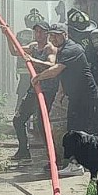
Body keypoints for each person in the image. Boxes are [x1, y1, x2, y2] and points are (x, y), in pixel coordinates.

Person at [31, 23, 98, 177]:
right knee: (75, 129)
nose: (53, 38)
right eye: (52, 35)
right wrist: (62, 92)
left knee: (78, 131)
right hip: (77, 96)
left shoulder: (72, 49)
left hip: (85, 96)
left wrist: (38, 77)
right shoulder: (63, 50)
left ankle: (79, 164)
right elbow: (65, 73)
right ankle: (79, 163)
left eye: (56, 35)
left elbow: (57, 70)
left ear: (65, 34)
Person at [10, 19, 58, 162]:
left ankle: (53, 157)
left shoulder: (50, 48)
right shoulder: (33, 46)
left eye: (41, 32)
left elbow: (51, 64)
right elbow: (14, 51)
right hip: (33, 89)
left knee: (41, 123)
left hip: (46, 90)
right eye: (36, 31)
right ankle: (23, 151)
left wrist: (33, 61)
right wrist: (7, 35)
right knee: (18, 120)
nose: (38, 34)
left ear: (47, 34)